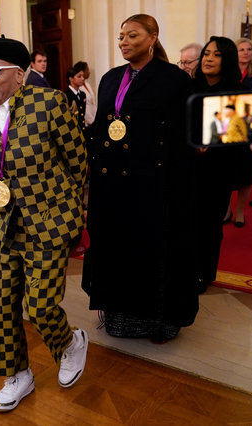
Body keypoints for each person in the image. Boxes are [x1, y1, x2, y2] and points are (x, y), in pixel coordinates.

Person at [0, 36, 89, 412]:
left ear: (19, 76)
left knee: (38, 307)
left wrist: (68, 210)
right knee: (3, 306)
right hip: (5, 225)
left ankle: (70, 344)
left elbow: (78, 163)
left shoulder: (50, 103)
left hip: (49, 222)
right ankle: (17, 374)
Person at [82, 14, 197, 341]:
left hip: (153, 186)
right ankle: (118, 316)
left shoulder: (174, 79)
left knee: (152, 253)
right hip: (112, 185)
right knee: (117, 251)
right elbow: (103, 126)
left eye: (132, 35)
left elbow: (182, 136)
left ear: (152, 37)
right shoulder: (110, 78)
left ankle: (159, 321)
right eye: (121, 36)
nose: (124, 42)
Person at [192, 36, 252, 286]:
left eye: (216, 55)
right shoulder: (190, 87)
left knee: (209, 225)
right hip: (188, 168)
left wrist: (212, 145)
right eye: (206, 53)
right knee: (188, 223)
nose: (208, 58)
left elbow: (240, 139)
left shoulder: (237, 93)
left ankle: (205, 274)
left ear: (226, 59)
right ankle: (187, 269)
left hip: (217, 170)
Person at [65, 65, 86, 131]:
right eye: (79, 76)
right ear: (71, 78)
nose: (82, 78)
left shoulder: (82, 94)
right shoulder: (66, 95)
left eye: (83, 76)